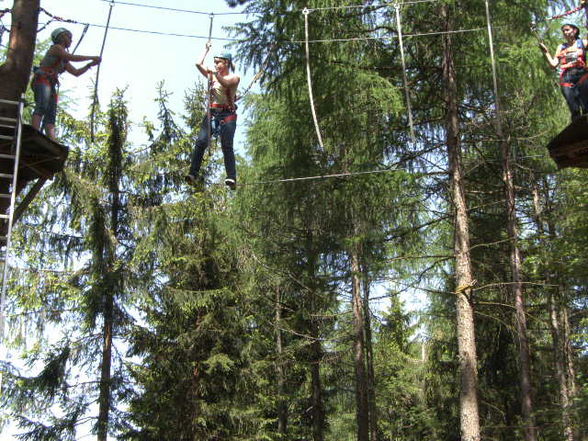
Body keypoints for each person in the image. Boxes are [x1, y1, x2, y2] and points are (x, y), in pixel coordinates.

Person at [186, 42, 240, 190]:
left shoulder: (235, 77)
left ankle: (231, 177)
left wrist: (214, 74)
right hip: (212, 113)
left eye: (218, 63)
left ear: (226, 63)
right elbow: (198, 63)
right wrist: (206, 50)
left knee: (227, 146)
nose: (215, 65)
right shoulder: (213, 75)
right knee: (201, 142)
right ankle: (193, 174)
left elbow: (226, 84)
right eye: (214, 63)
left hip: (227, 115)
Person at [31, 27, 101, 140]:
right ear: (62, 37)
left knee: (51, 114)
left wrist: (89, 65)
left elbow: (76, 72)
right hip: (43, 80)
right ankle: (34, 132)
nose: (71, 41)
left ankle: (52, 140)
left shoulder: (63, 59)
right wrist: (91, 57)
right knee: (42, 107)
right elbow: (72, 57)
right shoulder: (56, 48)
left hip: (50, 84)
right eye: (69, 37)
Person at [540, 23, 588, 121]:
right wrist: (546, 52)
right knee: (574, 108)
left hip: (582, 75)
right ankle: (577, 129)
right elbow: (553, 65)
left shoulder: (583, 43)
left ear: (574, 31)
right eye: (563, 31)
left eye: (567, 30)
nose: (565, 33)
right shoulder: (561, 47)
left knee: (585, 105)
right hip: (567, 77)